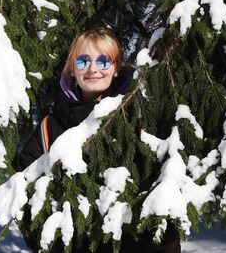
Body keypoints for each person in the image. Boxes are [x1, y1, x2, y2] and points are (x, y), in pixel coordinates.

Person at [14, 27, 180, 253]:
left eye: (103, 61)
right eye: (83, 61)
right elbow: (24, 198)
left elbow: (162, 204)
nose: (93, 68)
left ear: (116, 69)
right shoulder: (49, 128)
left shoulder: (138, 118)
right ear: (73, 70)